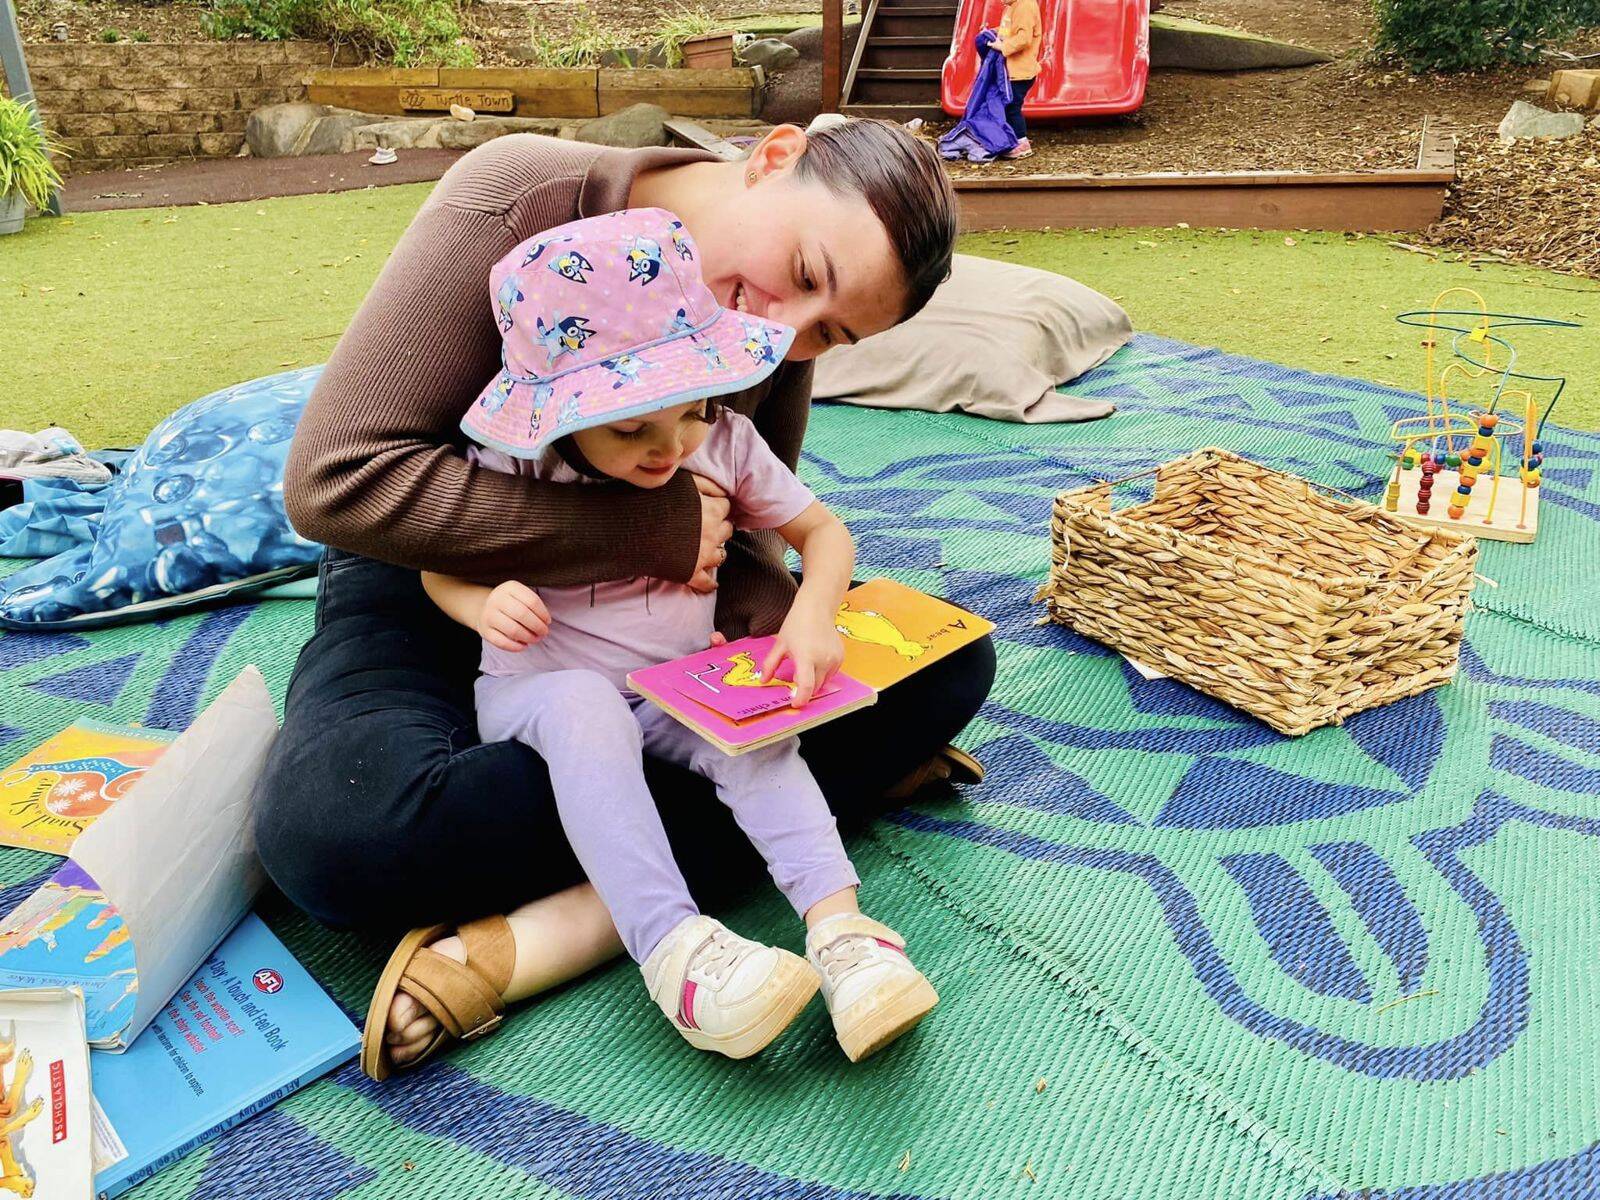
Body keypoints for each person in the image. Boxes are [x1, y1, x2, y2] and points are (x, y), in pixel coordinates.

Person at [256, 119, 995, 1080]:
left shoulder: (759, 342)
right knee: (338, 838)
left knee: (944, 661)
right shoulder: (512, 198)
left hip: (655, 635)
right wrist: (642, 532)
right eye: (803, 272)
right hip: (442, 574)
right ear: (773, 159)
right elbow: (336, 482)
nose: (786, 333)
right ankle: (643, 893)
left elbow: (746, 531)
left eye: (828, 333)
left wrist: (770, 635)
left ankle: (596, 917)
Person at [406, 207, 939, 1071]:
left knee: (757, 735)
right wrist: (480, 603)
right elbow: (438, 565)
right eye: (631, 430)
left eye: (690, 413)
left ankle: (842, 932)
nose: (669, 449)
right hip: (539, 688)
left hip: (676, 687)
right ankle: (676, 954)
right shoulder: (520, 463)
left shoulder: (720, 440)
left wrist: (812, 613)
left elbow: (823, 534)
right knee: (586, 709)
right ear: (561, 414)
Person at [989, 0, 1043, 159]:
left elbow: (1024, 38)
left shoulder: (1025, 6)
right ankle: (1012, 139)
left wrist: (1003, 46)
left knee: (1012, 106)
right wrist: (993, 32)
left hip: (1021, 71)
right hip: (1012, 70)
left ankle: (1021, 143)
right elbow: (1009, 30)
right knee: (1007, 105)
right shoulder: (1011, 6)